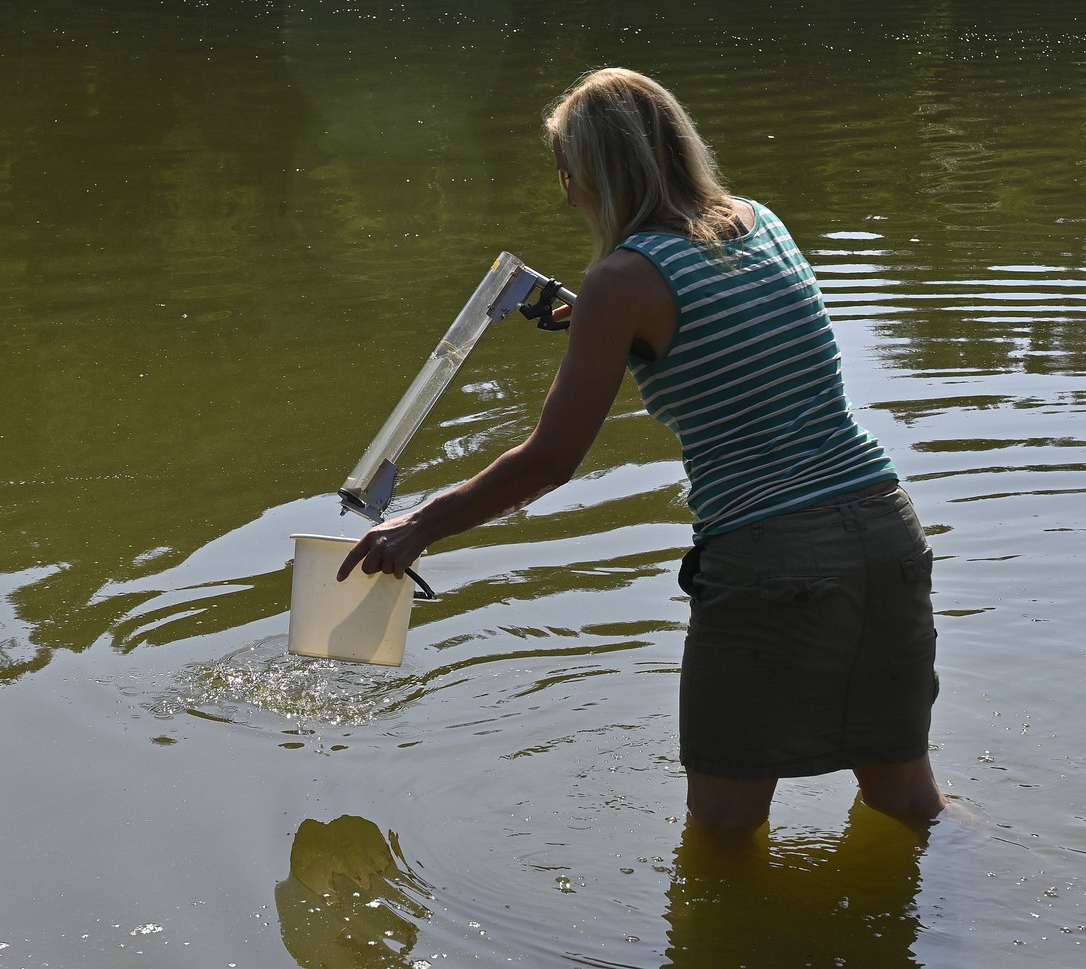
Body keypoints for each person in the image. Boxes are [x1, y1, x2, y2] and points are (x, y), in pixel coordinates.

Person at [337, 67, 947, 830]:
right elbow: (726, 328)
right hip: (886, 533)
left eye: (565, 173)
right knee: (908, 804)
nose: (565, 191)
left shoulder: (620, 283)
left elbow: (550, 459)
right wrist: (603, 321)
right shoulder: (761, 222)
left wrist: (420, 523)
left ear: (583, 175)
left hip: (773, 558)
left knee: (723, 836)